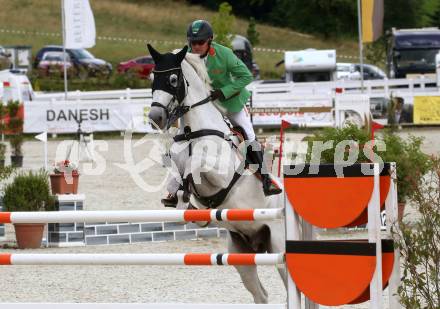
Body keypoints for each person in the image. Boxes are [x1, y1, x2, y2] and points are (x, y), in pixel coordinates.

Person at [161, 19, 281, 207]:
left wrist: (223, 91)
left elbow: (246, 76)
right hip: (203, 105)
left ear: (210, 40)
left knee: (249, 135)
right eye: (193, 43)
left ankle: (266, 179)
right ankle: (176, 189)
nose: (196, 46)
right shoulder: (187, 57)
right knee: (181, 139)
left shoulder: (224, 54)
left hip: (230, 103)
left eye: (200, 42)